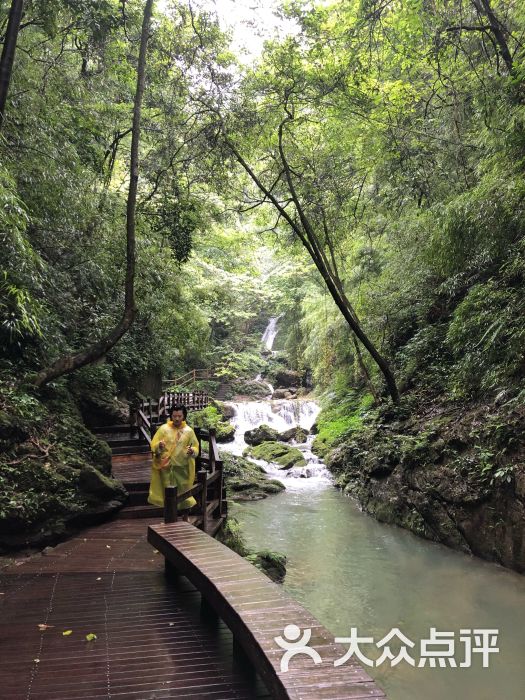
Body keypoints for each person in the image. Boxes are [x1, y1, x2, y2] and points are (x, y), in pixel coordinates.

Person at [148, 403, 200, 519]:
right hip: (166, 467)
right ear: (171, 415)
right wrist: (159, 446)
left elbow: (196, 447)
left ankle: (185, 517)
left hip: (183, 468)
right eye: (174, 415)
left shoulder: (189, 431)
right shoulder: (163, 429)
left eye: (179, 416)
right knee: (167, 494)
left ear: (184, 416)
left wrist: (192, 451)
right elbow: (154, 444)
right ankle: (169, 519)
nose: (177, 418)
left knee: (184, 494)